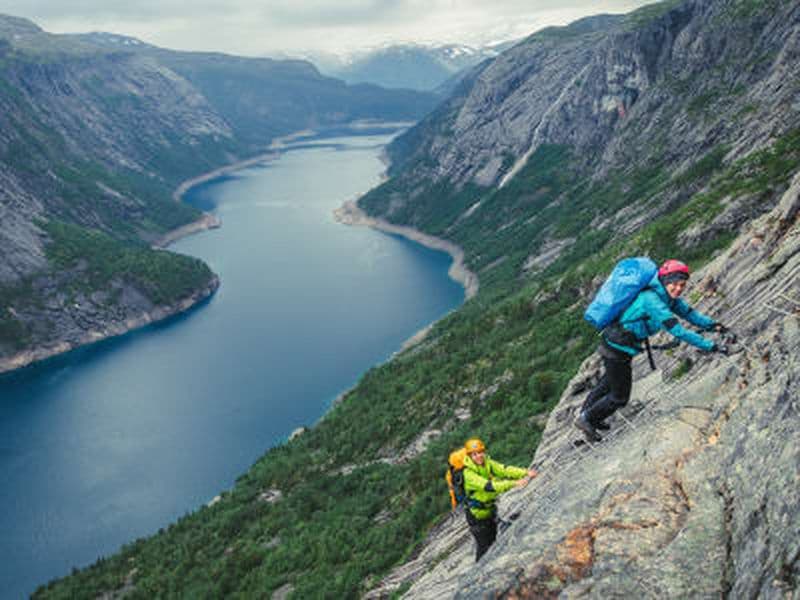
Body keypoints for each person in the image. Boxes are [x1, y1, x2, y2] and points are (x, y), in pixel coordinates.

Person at [575, 259, 728, 442]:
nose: (678, 288)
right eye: (675, 283)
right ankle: (587, 419)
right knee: (620, 397)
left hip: (617, 345)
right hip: (617, 350)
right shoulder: (652, 301)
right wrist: (711, 346)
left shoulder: (667, 297)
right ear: (665, 280)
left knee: (607, 383)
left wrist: (714, 326)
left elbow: (690, 314)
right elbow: (678, 331)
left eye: (682, 285)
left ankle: (589, 416)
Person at [462, 437, 537, 561]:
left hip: (490, 510)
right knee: (484, 548)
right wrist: (514, 483)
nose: (478, 456)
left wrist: (525, 472)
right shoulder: (468, 474)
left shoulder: (487, 463)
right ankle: (480, 573)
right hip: (477, 517)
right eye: (474, 454)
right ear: (469, 457)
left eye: (480, 452)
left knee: (493, 543)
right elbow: (489, 486)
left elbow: (504, 470)